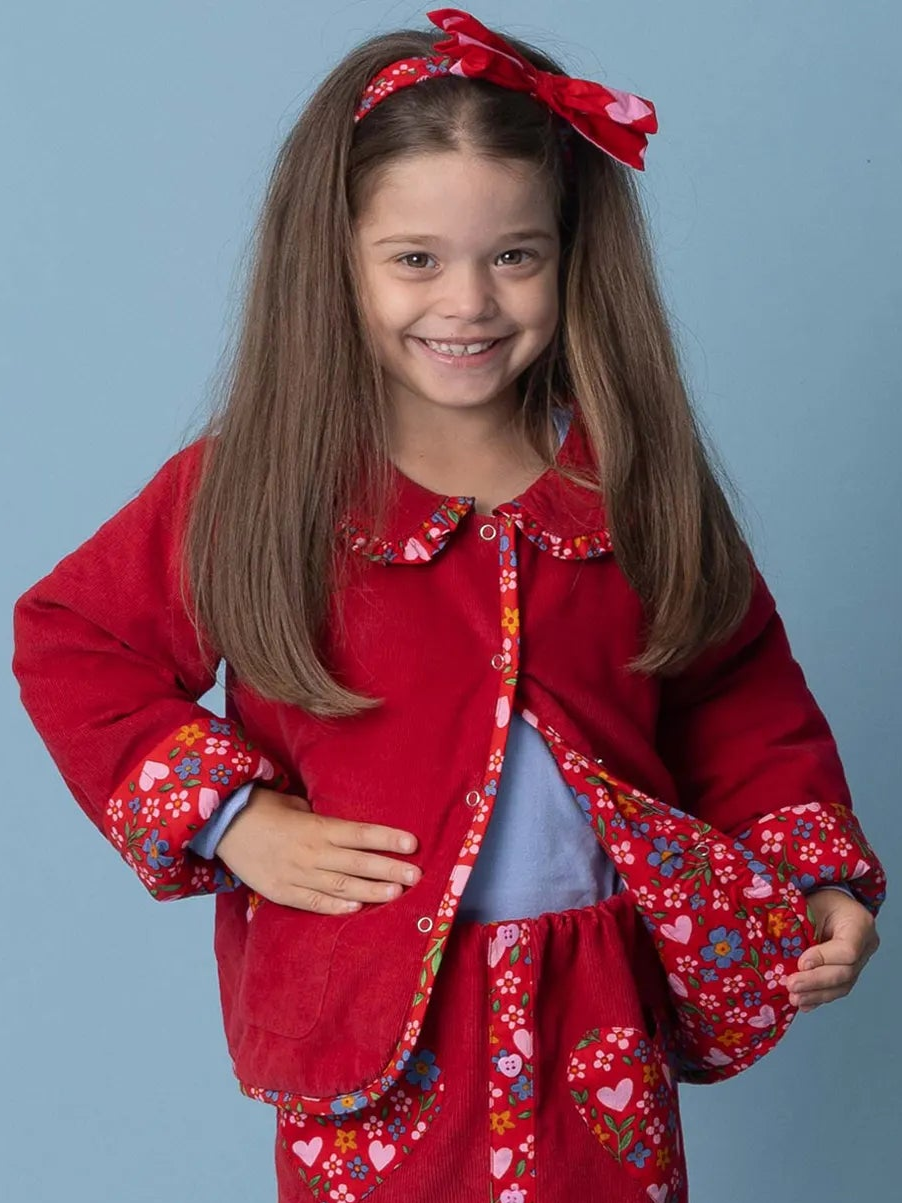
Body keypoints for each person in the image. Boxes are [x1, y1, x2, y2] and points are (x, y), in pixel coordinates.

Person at [12, 9, 885, 1203]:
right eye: (414, 259)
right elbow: (75, 641)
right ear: (337, 258)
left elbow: (735, 692)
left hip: (597, 1014)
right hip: (364, 1018)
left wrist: (813, 879)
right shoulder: (258, 486)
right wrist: (234, 821)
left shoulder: (634, 484)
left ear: (570, 253)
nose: (467, 301)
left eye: (513, 256)